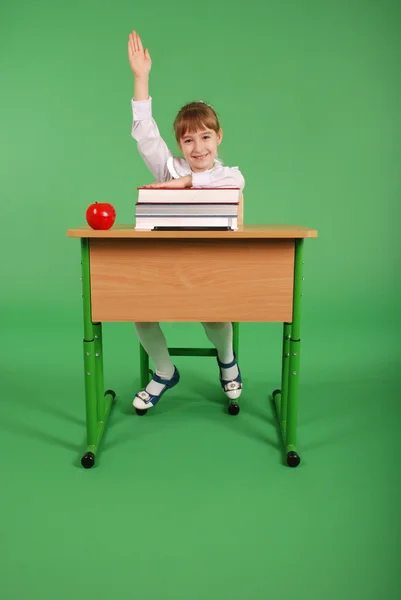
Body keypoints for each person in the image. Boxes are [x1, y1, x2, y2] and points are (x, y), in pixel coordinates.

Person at [128, 30, 245, 411]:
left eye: (206, 137)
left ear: (219, 137)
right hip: (167, 262)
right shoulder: (167, 167)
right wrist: (141, 77)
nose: (199, 148)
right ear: (180, 145)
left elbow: (226, 185)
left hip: (213, 266)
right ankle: (164, 371)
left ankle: (227, 361)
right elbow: (145, 134)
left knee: (214, 318)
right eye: (189, 141)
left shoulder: (231, 175)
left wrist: (182, 182)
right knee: (139, 313)